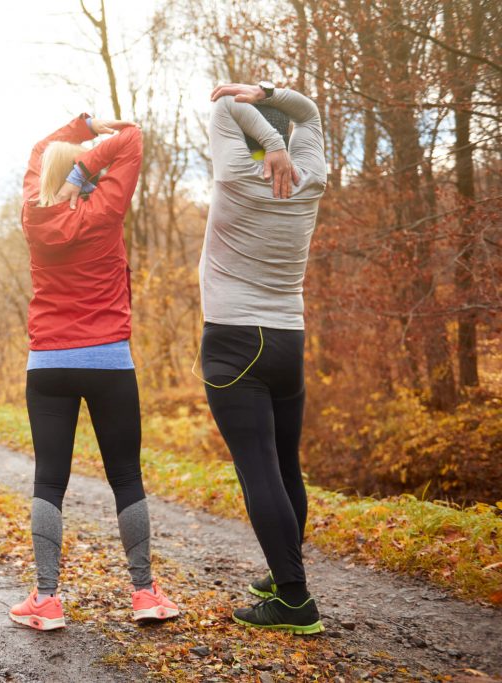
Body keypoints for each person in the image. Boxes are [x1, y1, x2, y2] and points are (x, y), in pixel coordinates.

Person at [8, 113, 179, 631]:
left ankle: (46, 599)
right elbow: (131, 139)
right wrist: (94, 149)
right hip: (110, 361)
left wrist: (77, 130)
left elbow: (41, 150)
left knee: (49, 481)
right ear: (78, 174)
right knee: (126, 476)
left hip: (50, 364)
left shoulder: (34, 216)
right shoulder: (103, 209)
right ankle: (145, 593)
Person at [198, 81, 328, 634]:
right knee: (284, 467)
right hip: (287, 340)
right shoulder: (311, 178)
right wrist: (270, 97)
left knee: (259, 473)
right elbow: (312, 111)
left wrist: (265, 137)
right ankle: (284, 575)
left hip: (234, 342)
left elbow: (225, 105)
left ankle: (294, 600)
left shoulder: (234, 175)